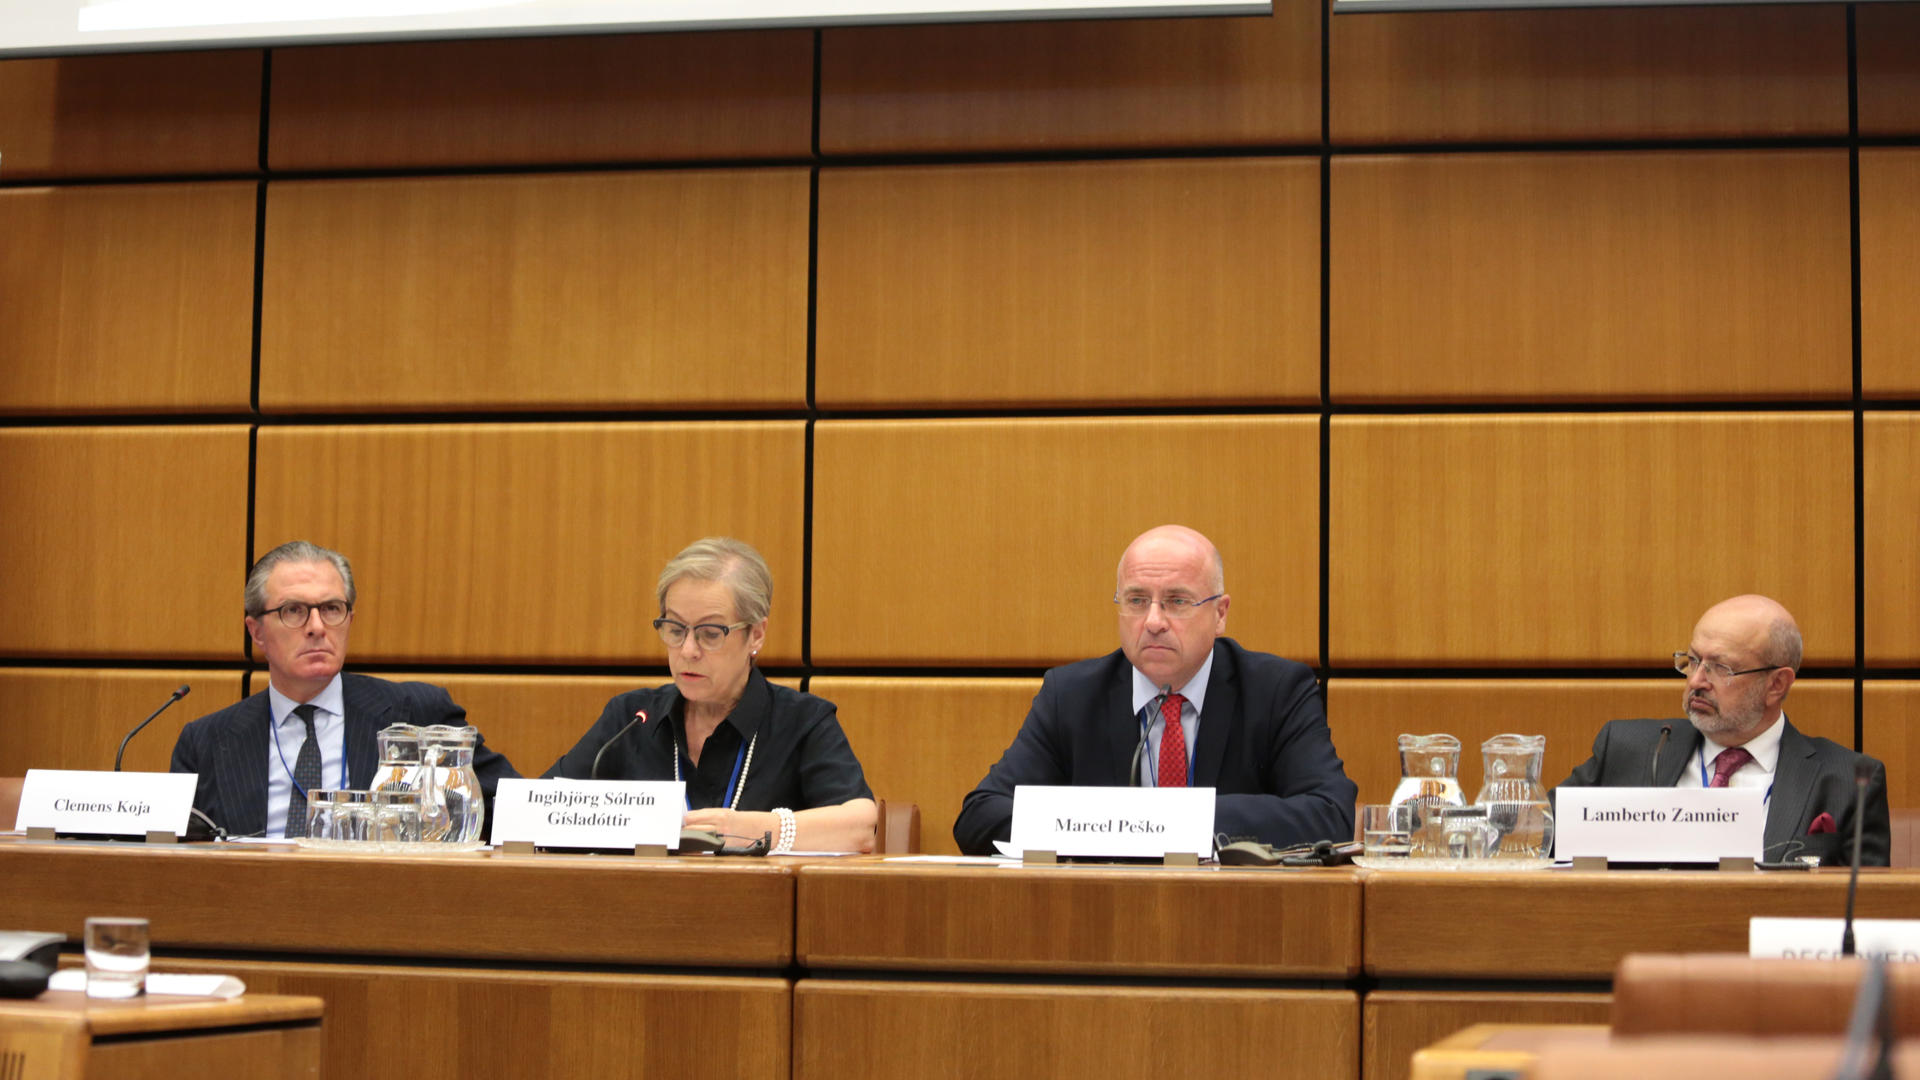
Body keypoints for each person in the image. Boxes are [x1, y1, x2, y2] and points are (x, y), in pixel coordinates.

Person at [953, 525, 1357, 856]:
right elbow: (980, 816)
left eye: (1176, 601)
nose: (1153, 621)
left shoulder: (1276, 691)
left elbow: (1329, 814)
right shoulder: (1071, 696)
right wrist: (1112, 825)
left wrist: (1176, 821)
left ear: (1220, 614)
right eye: (1136, 600)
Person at [545, 537, 877, 853]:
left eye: (710, 633)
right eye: (676, 629)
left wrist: (751, 829)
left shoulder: (802, 721)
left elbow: (860, 827)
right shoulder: (631, 717)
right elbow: (541, 808)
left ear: (756, 635)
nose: (688, 650)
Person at [170, 540, 519, 839]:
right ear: (256, 631)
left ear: (349, 620)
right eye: (294, 611)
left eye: (331, 609)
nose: (317, 627)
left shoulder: (418, 713)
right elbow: (177, 855)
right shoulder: (205, 743)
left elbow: (512, 808)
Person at [1558, 594, 1889, 866]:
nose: (1696, 680)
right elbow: (1541, 839)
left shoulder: (1848, 782)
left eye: (1720, 667)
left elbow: (1869, 905)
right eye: (1693, 660)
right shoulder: (1629, 749)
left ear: (1776, 684)